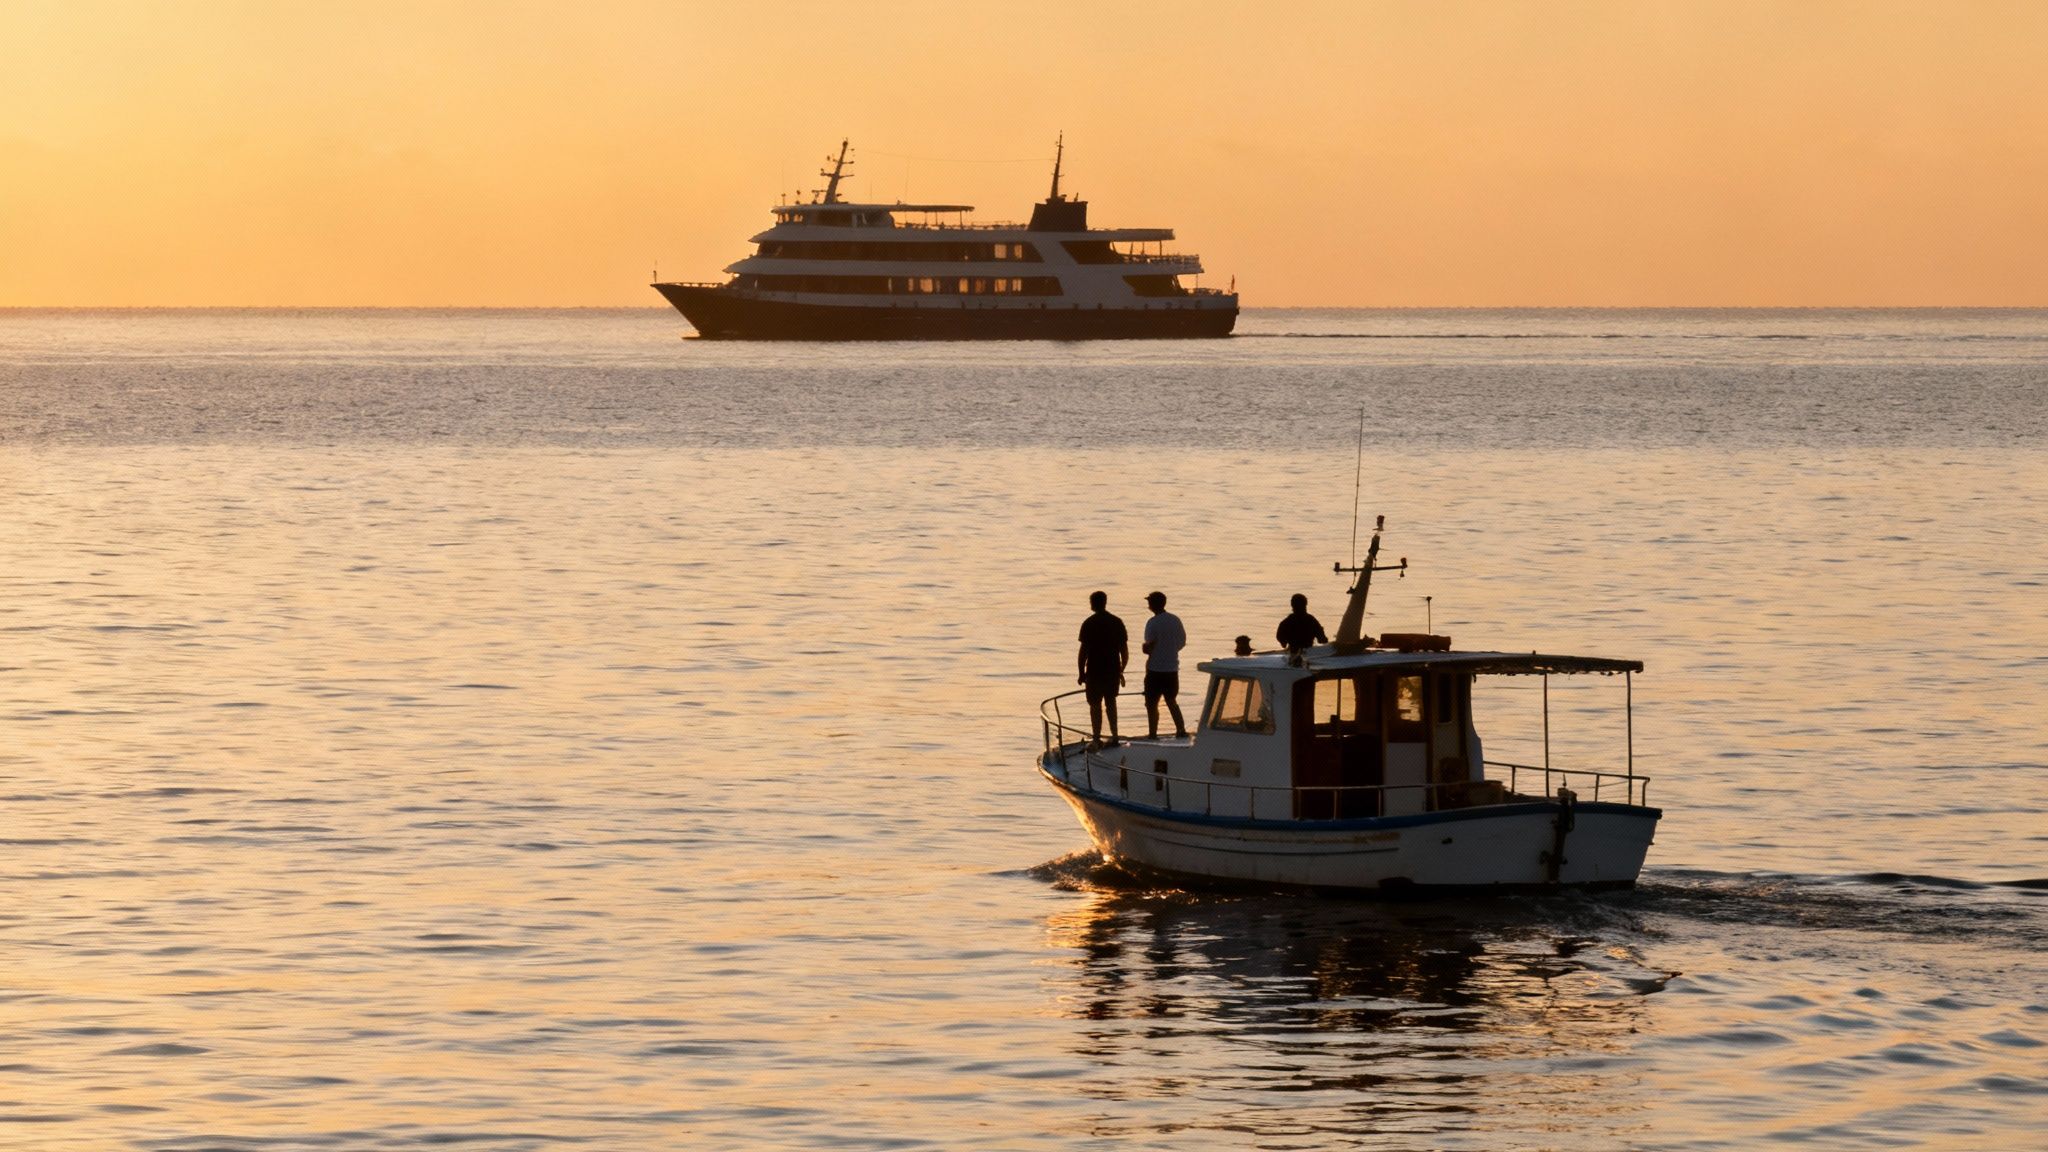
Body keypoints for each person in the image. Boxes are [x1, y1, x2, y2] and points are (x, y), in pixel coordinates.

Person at [1076, 590, 1127, 744]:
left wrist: (1080, 673)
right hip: (1112, 670)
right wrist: (1121, 670)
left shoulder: (1089, 623)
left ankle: (1097, 737)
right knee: (1111, 702)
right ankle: (1115, 735)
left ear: (1093, 603)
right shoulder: (1117, 622)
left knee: (1095, 705)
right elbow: (1124, 651)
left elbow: (1083, 652)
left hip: (1094, 670)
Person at [1139, 591, 1188, 740]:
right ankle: (1181, 729)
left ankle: (1153, 734)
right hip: (1172, 668)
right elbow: (1182, 642)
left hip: (1155, 669)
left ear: (1153, 604)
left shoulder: (1152, 622)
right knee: (1171, 701)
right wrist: (1170, 651)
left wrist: (1145, 648)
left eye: (1149, 602)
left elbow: (1149, 646)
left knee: (1151, 703)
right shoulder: (1175, 620)